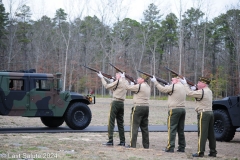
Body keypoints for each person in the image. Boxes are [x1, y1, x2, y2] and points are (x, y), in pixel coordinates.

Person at [180, 77, 217, 157]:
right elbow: (199, 96)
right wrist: (195, 89)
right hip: (210, 113)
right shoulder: (209, 91)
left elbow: (189, 93)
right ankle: (213, 151)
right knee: (211, 134)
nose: (198, 83)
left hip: (203, 113)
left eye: (199, 82)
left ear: (204, 84)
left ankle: (200, 152)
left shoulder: (202, 91)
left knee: (202, 134)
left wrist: (185, 84)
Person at [150, 73, 186, 153]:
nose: (171, 81)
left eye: (172, 79)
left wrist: (155, 82)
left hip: (174, 109)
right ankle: (182, 147)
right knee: (180, 129)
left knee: (171, 129)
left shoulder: (174, 86)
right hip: (182, 109)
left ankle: (170, 147)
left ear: (177, 79)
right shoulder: (183, 86)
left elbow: (162, 90)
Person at [97, 71, 128, 146]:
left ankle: (110, 140)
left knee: (111, 122)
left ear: (119, 76)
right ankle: (122, 141)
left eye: (117, 75)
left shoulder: (118, 81)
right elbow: (115, 89)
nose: (115, 76)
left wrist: (102, 78)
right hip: (122, 103)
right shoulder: (126, 82)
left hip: (115, 102)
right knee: (120, 123)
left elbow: (107, 86)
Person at [124, 74, 151, 149]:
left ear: (143, 79)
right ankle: (146, 145)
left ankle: (132, 144)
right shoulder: (148, 86)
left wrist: (124, 79)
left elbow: (127, 87)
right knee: (144, 127)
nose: (137, 79)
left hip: (138, 107)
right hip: (146, 107)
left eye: (139, 78)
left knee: (134, 126)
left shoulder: (139, 86)